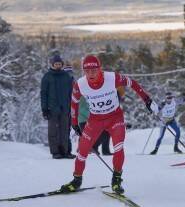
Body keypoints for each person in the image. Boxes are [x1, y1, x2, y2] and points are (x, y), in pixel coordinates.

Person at [60, 55, 159, 194]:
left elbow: (132, 83)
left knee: (118, 147)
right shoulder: (80, 84)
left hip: (115, 118)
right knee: (82, 151)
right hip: (95, 120)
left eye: (94, 70)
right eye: (87, 71)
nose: (90, 74)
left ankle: (116, 180)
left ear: (100, 69)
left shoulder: (112, 78)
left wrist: (147, 100)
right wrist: (74, 124)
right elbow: (74, 103)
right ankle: (76, 180)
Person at [40, 55, 75, 159]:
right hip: (52, 109)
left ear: (62, 65)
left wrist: (72, 106)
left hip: (65, 108)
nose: (58, 65)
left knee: (65, 130)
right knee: (53, 131)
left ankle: (66, 151)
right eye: (56, 64)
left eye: (59, 64)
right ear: (52, 64)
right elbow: (43, 94)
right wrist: (44, 109)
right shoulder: (47, 76)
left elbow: (72, 93)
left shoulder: (66, 76)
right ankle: (55, 152)